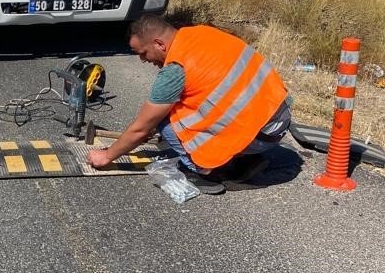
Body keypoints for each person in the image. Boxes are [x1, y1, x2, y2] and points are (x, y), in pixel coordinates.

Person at [87, 14, 293, 194]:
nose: (143, 60)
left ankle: (206, 169)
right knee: (181, 105)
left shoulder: (175, 68)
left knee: (163, 119)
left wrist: (106, 156)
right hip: (278, 121)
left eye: (142, 53)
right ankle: (240, 158)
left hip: (257, 136)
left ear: (160, 44)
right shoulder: (202, 33)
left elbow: (141, 129)